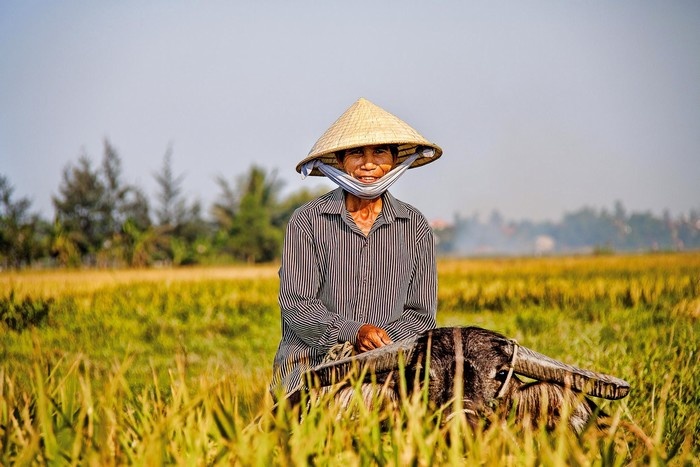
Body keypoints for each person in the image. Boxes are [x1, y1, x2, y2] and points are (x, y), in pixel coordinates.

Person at [270, 97, 443, 400]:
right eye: (356, 153)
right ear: (339, 161)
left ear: (393, 161)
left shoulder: (414, 225)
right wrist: (355, 333)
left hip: (390, 365)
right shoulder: (308, 221)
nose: (368, 164)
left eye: (379, 152)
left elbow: (421, 315)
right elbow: (298, 307)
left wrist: (383, 344)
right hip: (311, 365)